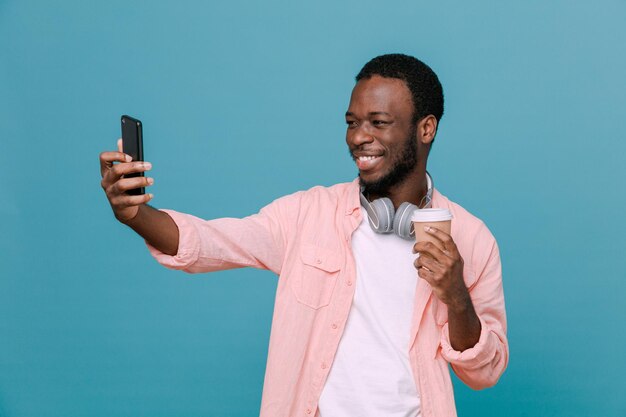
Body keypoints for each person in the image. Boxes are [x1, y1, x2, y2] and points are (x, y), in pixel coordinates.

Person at [99, 53, 508, 417]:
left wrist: (456, 296)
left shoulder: (472, 239)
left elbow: (485, 372)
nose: (358, 137)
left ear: (426, 128)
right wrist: (135, 214)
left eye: (378, 123)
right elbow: (211, 242)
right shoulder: (307, 213)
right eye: (352, 123)